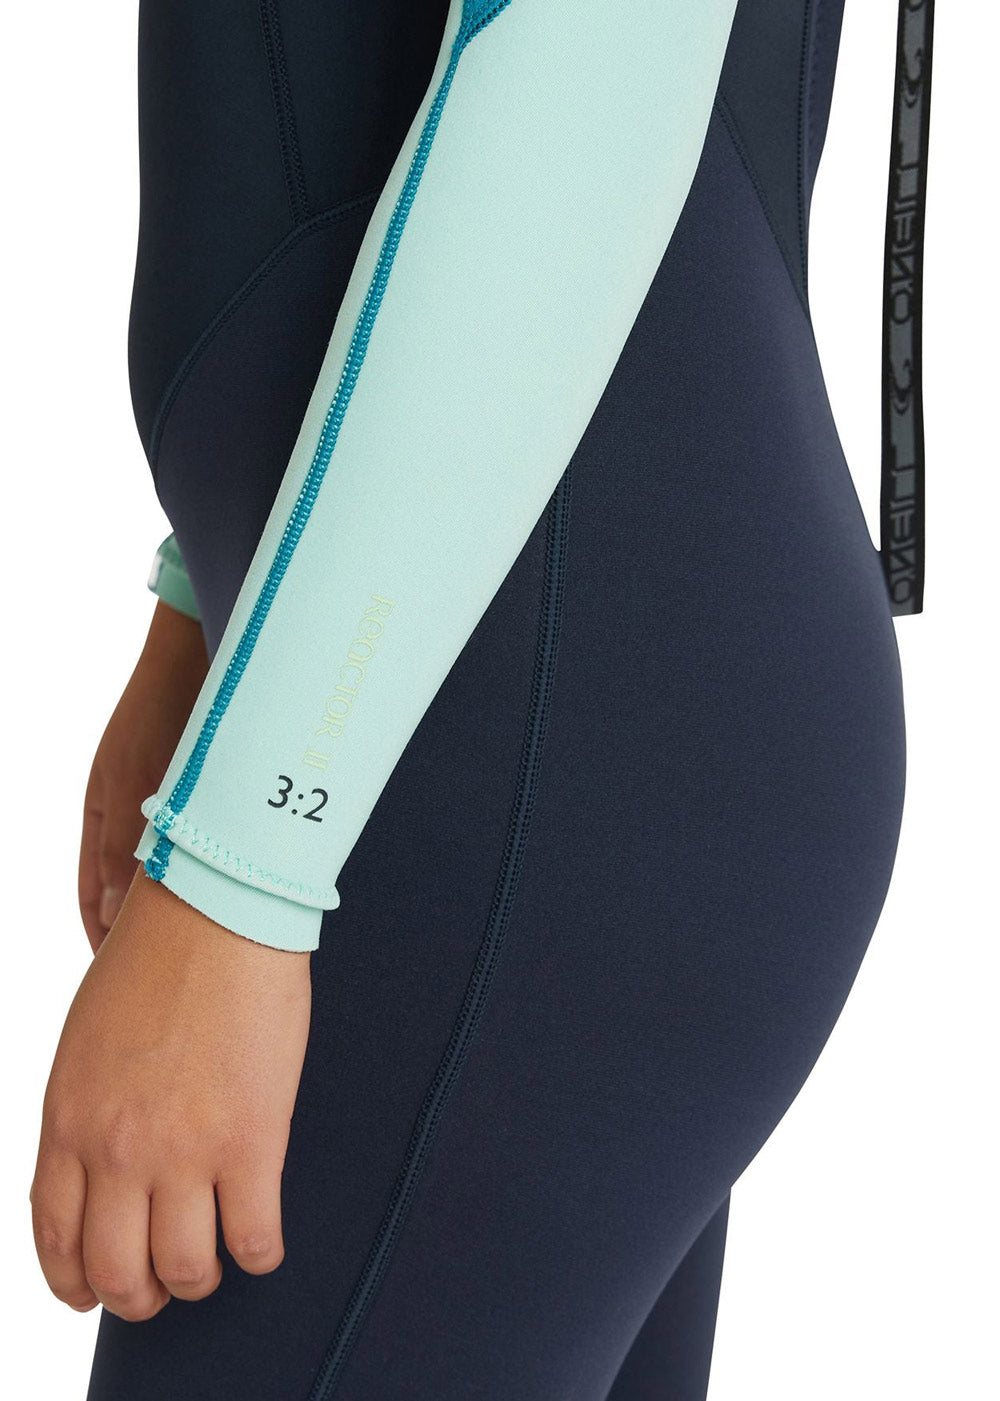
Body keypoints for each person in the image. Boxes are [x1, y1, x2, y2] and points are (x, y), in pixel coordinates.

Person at [29, 1, 926, 1396]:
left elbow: (589, 65)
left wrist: (239, 865)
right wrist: (202, 615)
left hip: (519, 749)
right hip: (576, 706)